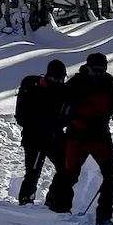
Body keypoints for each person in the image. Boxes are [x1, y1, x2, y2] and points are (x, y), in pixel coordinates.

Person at [45, 52, 113, 225]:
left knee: (111, 176)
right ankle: (61, 210)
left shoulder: (109, 83)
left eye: (102, 69)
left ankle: (104, 216)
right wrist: (56, 129)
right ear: (87, 67)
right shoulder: (76, 83)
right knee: (69, 176)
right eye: (95, 69)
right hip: (77, 137)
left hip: (100, 137)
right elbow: (60, 108)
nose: (99, 73)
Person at [13, 59, 68, 204]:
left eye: (62, 79)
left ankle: (52, 200)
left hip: (54, 136)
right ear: (48, 76)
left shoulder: (63, 91)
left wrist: (57, 127)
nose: (58, 81)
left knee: (65, 167)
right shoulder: (32, 87)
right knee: (32, 172)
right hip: (34, 137)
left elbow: (67, 115)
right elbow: (21, 116)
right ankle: (25, 200)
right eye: (55, 78)